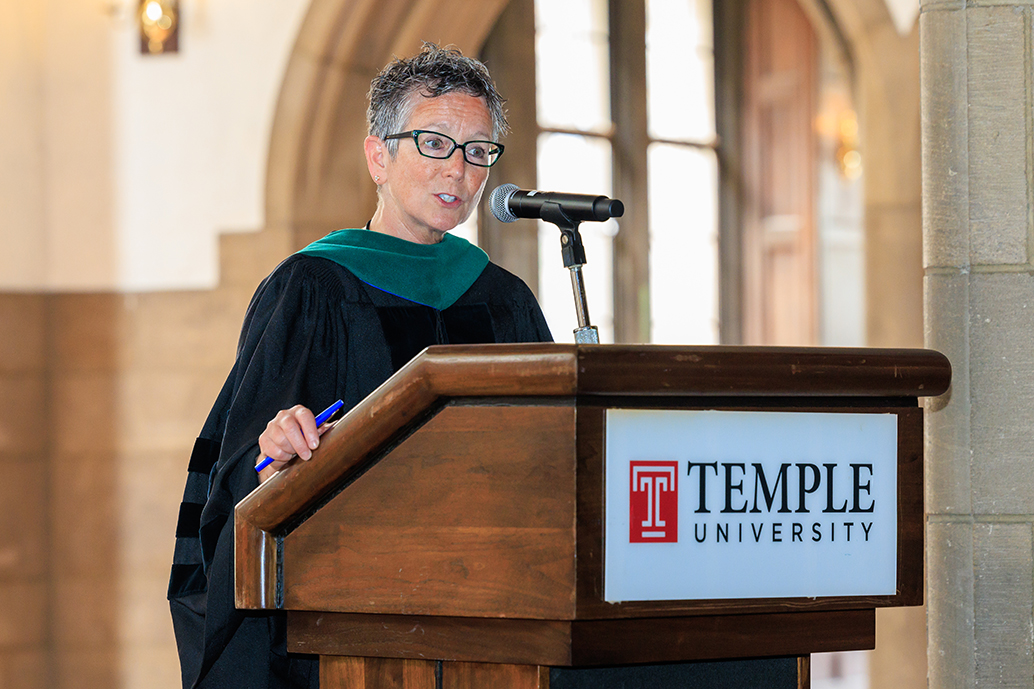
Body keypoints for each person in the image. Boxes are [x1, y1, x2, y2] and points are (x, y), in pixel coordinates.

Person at [167, 43, 552, 689]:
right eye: (434, 142)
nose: (458, 169)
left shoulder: (504, 299)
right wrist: (272, 452)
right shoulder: (311, 288)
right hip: (349, 631)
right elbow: (238, 471)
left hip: (492, 625)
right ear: (378, 155)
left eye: (477, 150)